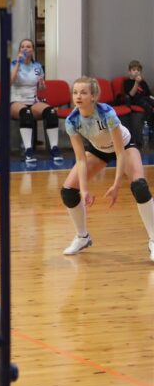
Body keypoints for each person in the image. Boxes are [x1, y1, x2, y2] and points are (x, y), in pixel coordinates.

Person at [59, 77, 154, 262]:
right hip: (98, 150)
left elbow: (119, 153)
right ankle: (82, 237)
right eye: (75, 92)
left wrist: (116, 185)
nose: (78, 96)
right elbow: (80, 159)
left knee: (140, 187)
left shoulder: (107, 113)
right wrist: (84, 190)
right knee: (69, 192)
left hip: (124, 146)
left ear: (94, 96)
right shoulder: (72, 120)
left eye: (83, 92)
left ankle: (153, 240)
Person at [10, 38, 62, 165]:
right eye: (23, 46)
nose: (25, 49)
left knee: (51, 112)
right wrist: (18, 63)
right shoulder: (13, 64)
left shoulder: (37, 66)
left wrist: (42, 85)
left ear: (32, 50)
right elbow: (10, 81)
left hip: (33, 101)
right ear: (19, 50)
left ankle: (54, 148)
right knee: (25, 113)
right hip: (16, 101)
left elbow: (41, 88)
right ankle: (28, 150)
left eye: (28, 47)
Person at [124, 60, 154, 128]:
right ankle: (148, 125)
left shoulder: (143, 82)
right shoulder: (127, 82)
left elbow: (148, 94)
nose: (136, 72)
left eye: (138, 70)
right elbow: (131, 95)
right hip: (135, 100)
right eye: (134, 70)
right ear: (129, 72)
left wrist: (152, 98)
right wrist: (136, 82)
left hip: (145, 98)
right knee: (148, 107)